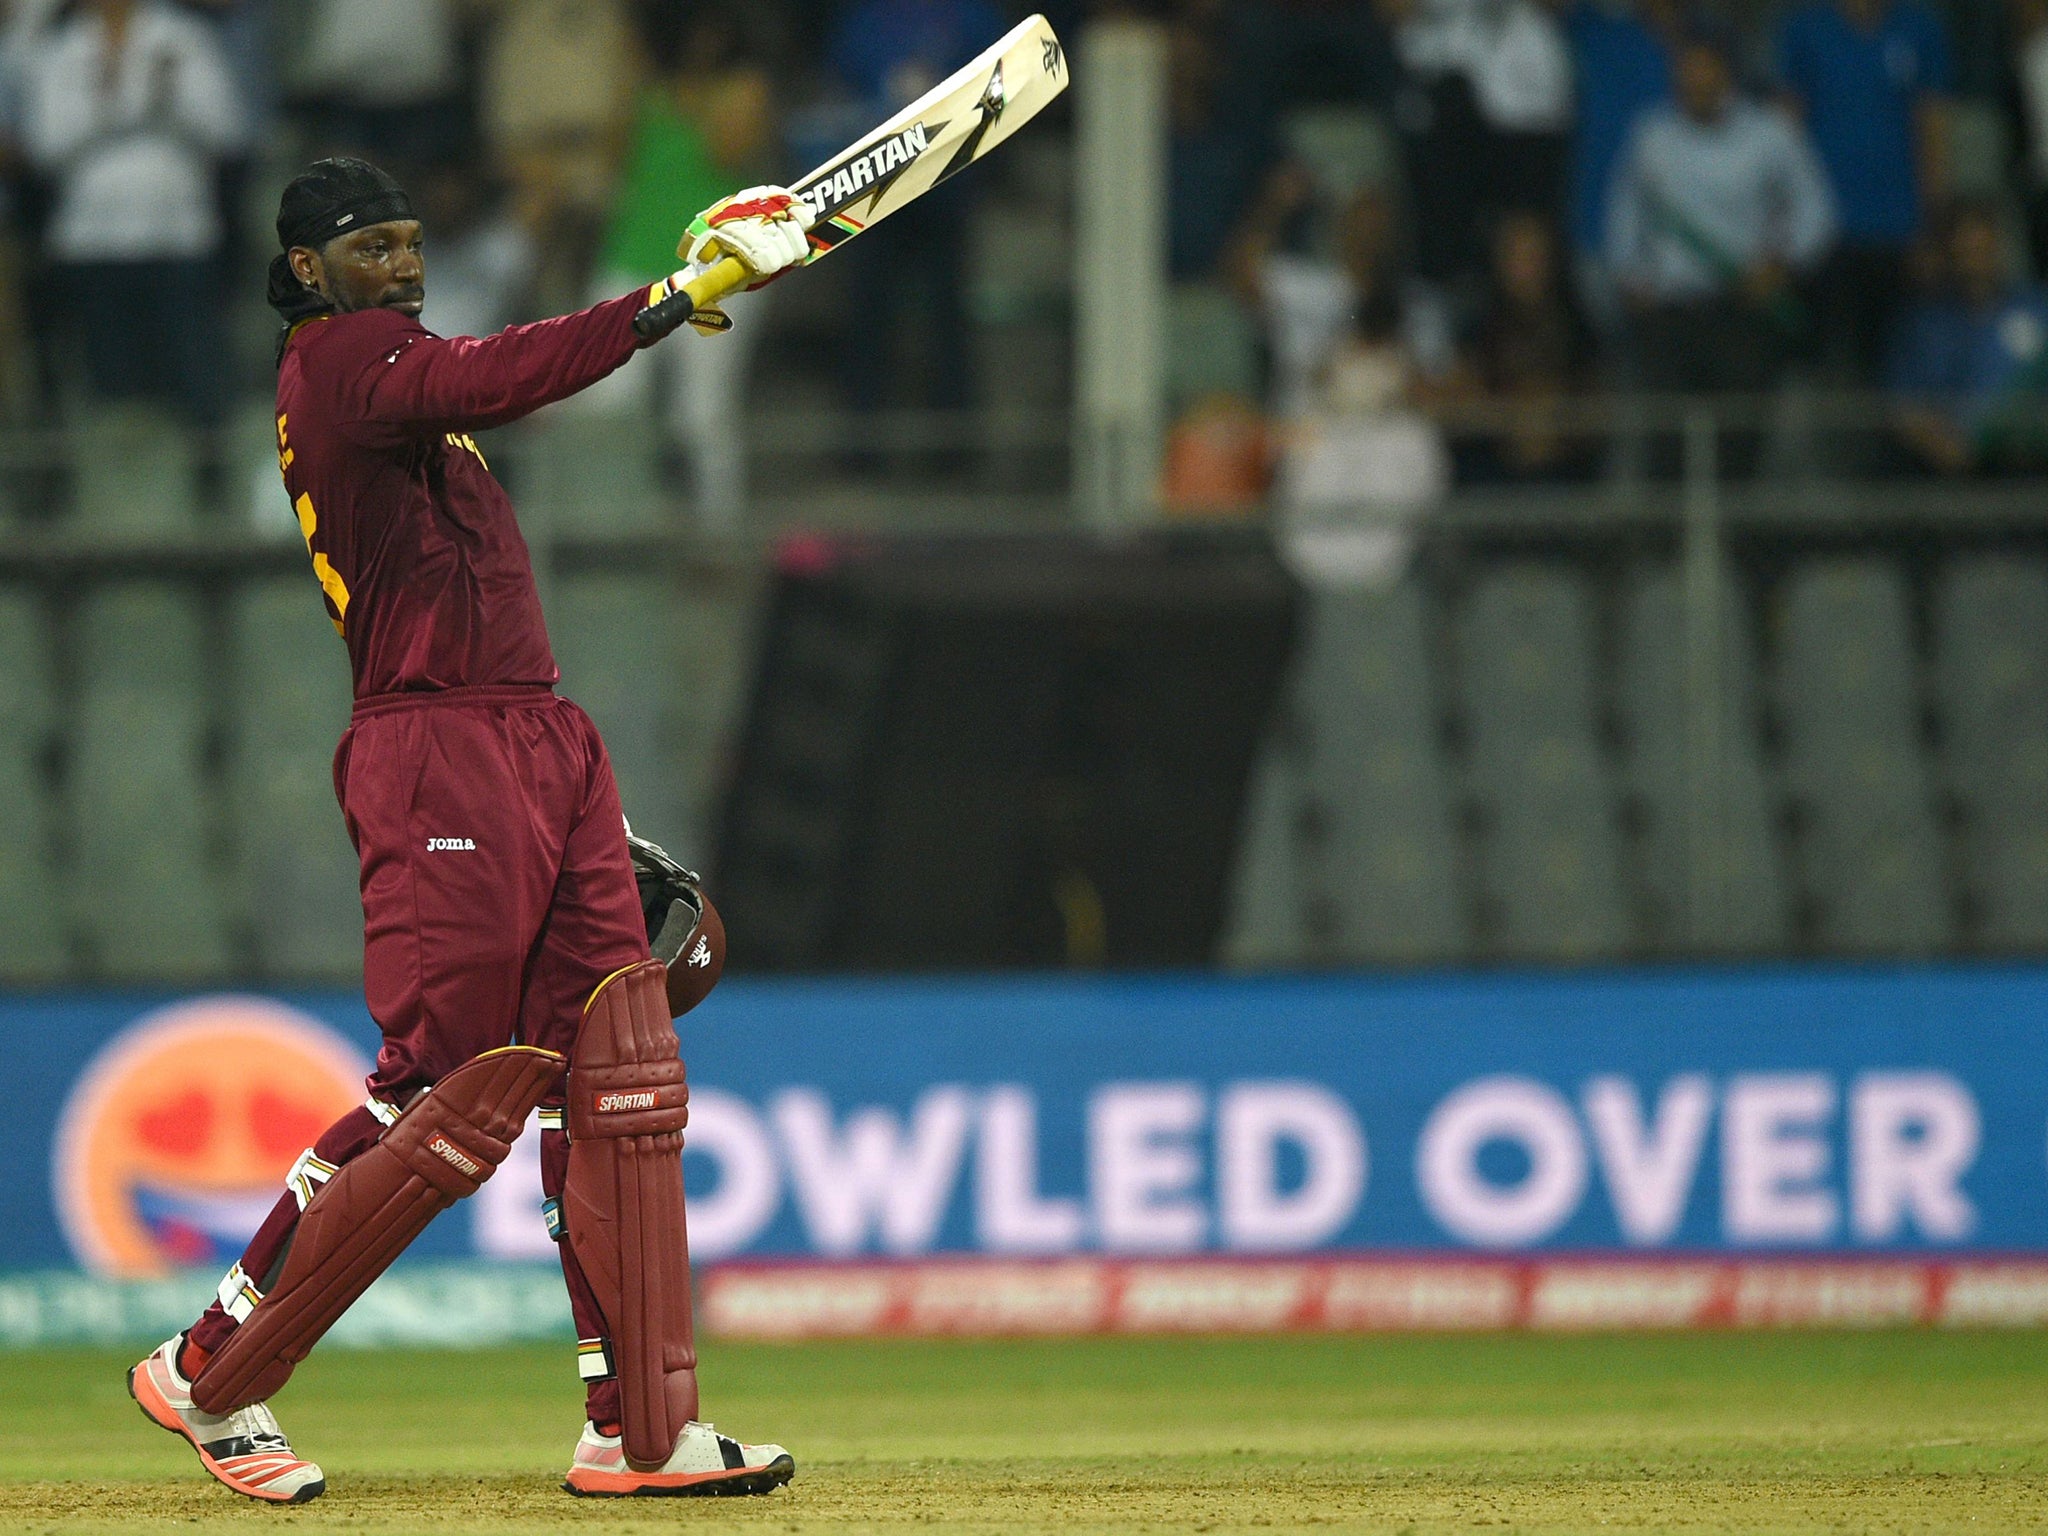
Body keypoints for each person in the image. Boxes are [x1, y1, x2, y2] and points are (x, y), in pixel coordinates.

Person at [123, 156, 810, 1503]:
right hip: (434, 740)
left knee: (618, 1071)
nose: (404, 267)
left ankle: (640, 1431)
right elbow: (501, 375)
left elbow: (482, 387)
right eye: (373, 247)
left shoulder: (400, 385)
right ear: (310, 272)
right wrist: (677, 295)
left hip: (532, 736)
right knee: (443, 1085)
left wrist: (564, 801)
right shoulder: (339, 364)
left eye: (412, 242)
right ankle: (207, 1370)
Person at [1606, 21, 1836, 465]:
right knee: (1666, 444)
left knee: (1741, 441)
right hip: (1669, 311)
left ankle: (1739, 535)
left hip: (1742, 310)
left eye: (1703, 70)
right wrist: (1630, 277)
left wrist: (1781, 265)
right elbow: (1625, 212)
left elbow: (1816, 212)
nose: (1693, 81)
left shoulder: (1770, 134)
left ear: (1726, 73)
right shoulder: (1651, 135)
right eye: (1685, 71)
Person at [17, 0, 243, 427]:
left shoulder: (183, 38)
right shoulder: (62, 48)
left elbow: (225, 129)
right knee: (114, 383)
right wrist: (112, 98)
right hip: (94, 240)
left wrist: (169, 94)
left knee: (193, 376)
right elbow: (45, 145)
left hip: (177, 233)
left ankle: (200, 481)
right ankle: (124, 485)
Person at [1777, 0, 1953, 382]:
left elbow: (1932, 130)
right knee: (1829, 360)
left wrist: (1931, 226)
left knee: (1896, 360)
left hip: (1897, 226)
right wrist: (1784, 221)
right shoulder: (1806, 28)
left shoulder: (1919, 28)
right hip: (1823, 230)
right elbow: (1786, 128)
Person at [1888, 200, 2048, 473]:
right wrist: (1944, 447)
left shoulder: (2038, 309)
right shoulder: (1924, 323)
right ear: (1947, 253)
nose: (1973, 263)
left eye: (1981, 250)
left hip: (2031, 467)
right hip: (1948, 471)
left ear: (1998, 247)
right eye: (1964, 252)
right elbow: (1899, 406)